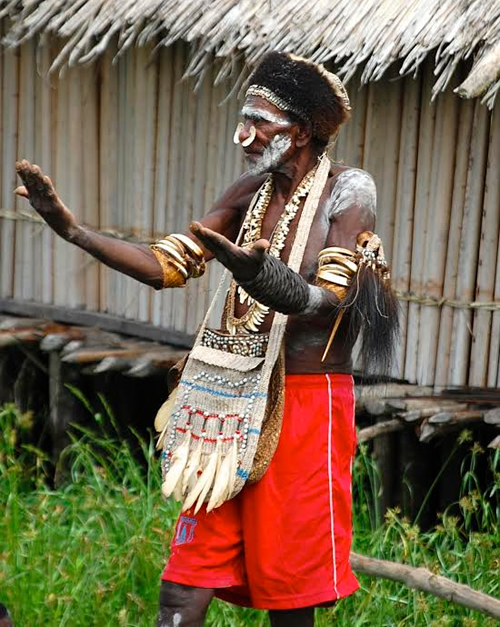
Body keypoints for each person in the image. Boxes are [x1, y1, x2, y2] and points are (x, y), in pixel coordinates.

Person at [15, 52, 398, 627]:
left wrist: (258, 275)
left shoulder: (348, 190)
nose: (243, 134)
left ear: (297, 131)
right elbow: (166, 264)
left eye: (258, 121)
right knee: (181, 588)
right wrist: (73, 231)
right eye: (242, 119)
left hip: (305, 402)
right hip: (226, 401)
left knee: (290, 602)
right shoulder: (250, 191)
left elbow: (330, 301)